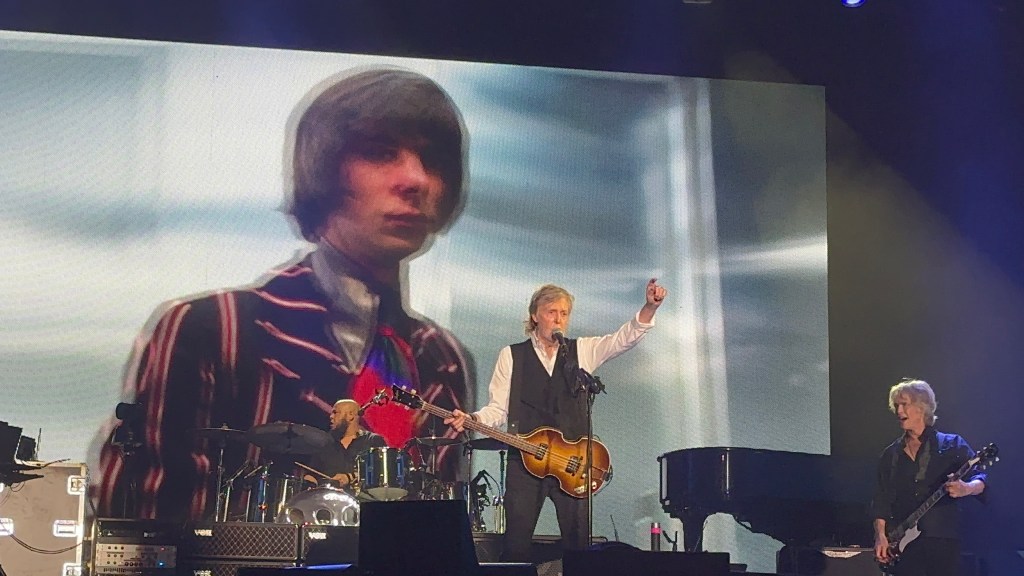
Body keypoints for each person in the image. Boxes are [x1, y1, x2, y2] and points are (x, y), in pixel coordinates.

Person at [94, 67, 474, 521]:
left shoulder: (442, 357)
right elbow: (146, 524)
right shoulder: (213, 329)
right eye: (380, 152)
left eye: (433, 160)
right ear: (324, 166)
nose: (415, 179)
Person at [446, 279, 667, 562]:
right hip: (525, 461)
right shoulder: (512, 355)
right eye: (552, 312)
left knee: (579, 549)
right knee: (516, 546)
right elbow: (498, 409)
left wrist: (649, 307)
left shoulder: (582, 351)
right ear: (535, 316)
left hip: (572, 464)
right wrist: (473, 419)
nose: (558, 319)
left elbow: (622, 340)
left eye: (564, 313)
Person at [871, 378, 987, 576]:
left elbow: (982, 478)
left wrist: (967, 488)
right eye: (896, 405)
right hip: (903, 546)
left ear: (922, 407)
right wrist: (880, 535)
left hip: (942, 541)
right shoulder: (891, 454)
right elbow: (881, 499)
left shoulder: (952, 444)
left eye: (904, 404)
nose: (899, 411)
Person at [302, 399, 386, 489]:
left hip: (363, 496)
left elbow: (381, 470)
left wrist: (349, 477)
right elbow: (312, 474)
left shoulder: (373, 440)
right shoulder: (326, 442)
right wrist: (310, 484)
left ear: (351, 415)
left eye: (335, 412)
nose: (331, 416)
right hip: (330, 496)